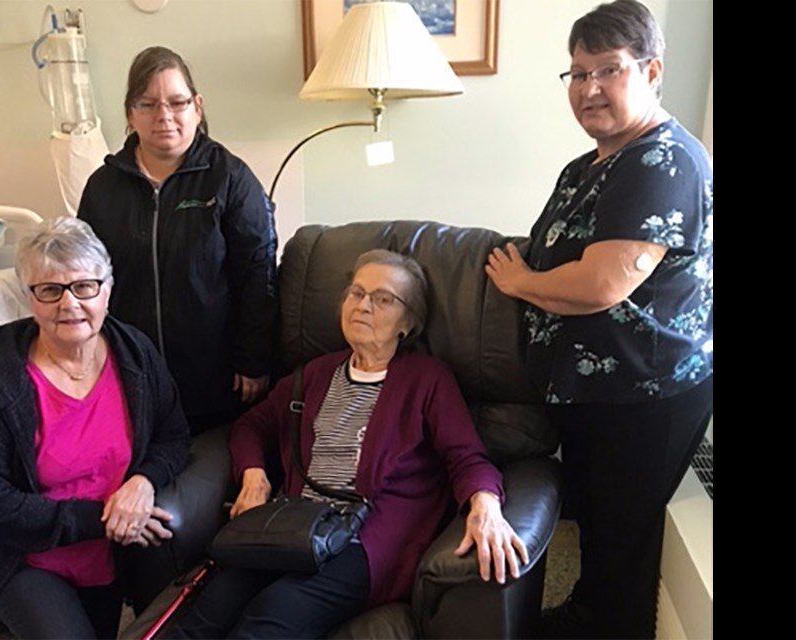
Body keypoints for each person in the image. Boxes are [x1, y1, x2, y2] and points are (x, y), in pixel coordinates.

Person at [484, 2, 713, 637]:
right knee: (600, 527)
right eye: (576, 74)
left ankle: (609, 626)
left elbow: (604, 282)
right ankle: (589, 612)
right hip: (597, 392)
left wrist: (522, 284)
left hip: (647, 393)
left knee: (623, 537)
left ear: (651, 70)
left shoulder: (663, 162)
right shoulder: (592, 164)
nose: (588, 89)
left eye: (607, 70)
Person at [166, 250, 528, 639]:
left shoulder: (427, 380)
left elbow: (466, 456)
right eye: (355, 293)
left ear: (409, 322)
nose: (363, 305)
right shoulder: (313, 374)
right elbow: (252, 425)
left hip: (364, 539)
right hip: (290, 527)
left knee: (272, 616)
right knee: (209, 609)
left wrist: (485, 505)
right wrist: (254, 477)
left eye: (383, 298)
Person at [0, 218, 191, 639]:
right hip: (25, 557)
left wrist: (143, 481)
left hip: (108, 554)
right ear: (30, 298)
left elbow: (173, 436)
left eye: (84, 286)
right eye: (50, 290)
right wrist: (101, 519)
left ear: (108, 291)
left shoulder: (135, 355)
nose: (70, 304)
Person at [78, 46, 278, 434]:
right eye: (148, 104)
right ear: (130, 113)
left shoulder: (230, 179)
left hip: (216, 384)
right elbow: (85, 281)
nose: (164, 116)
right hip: (129, 382)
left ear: (197, 107)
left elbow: (259, 275)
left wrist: (254, 361)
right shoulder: (102, 188)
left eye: (177, 102)